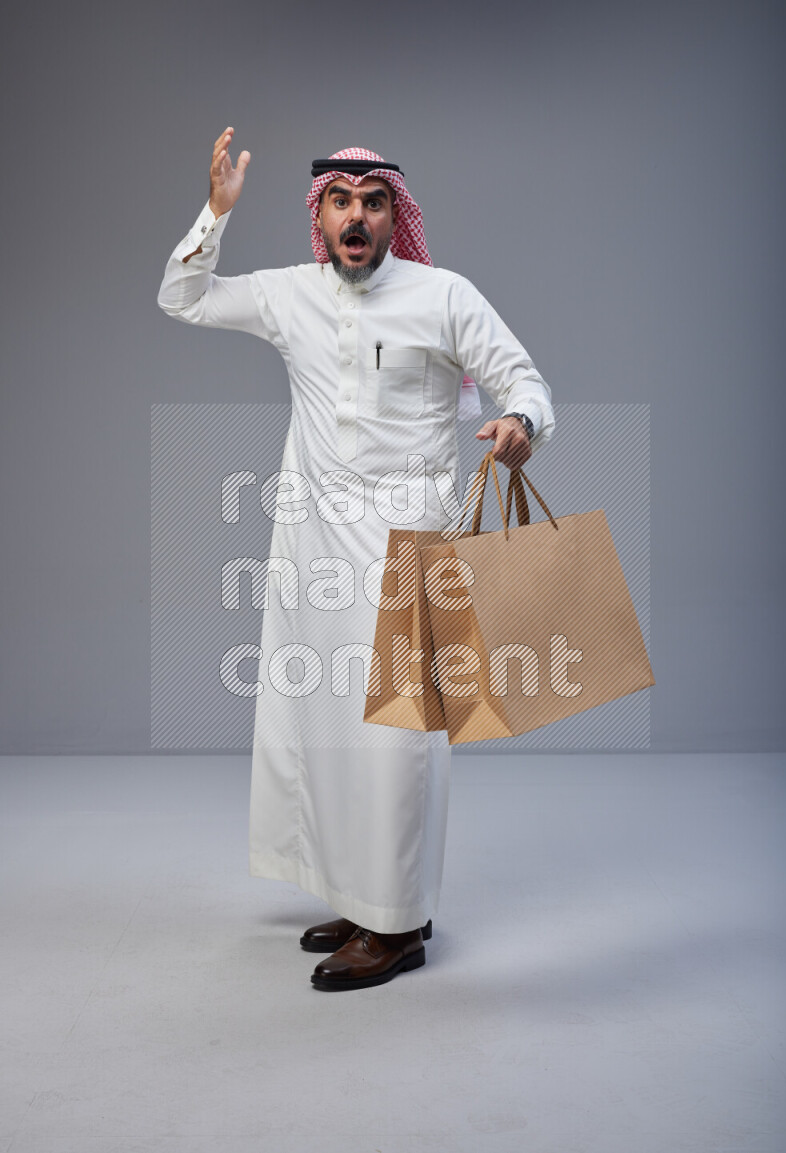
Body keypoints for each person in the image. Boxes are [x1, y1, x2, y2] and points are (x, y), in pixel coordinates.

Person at [157, 128, 555, 991]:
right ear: (321, 213)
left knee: (399, 742)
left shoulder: (443, 293)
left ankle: (401, 924)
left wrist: (520, 426)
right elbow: (182, 297)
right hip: (310, 542)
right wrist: (215, 214)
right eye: (342, 201)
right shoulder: (289, 295)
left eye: (374, 204)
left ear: (392, 215)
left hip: (409, 538)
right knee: (326, 728)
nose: (358, 218)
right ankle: (362, 896)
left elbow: (522, 379)